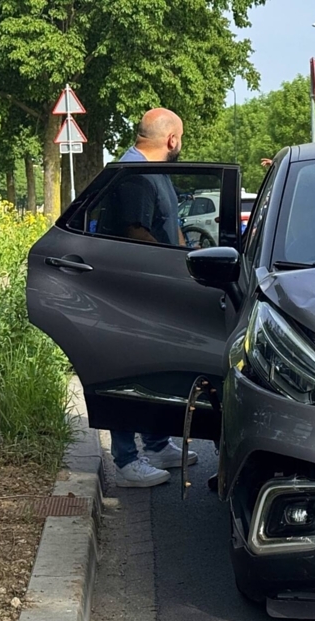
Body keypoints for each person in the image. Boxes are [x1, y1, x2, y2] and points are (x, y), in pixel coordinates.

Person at [112, 107, 195, 488]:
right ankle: (126, 460)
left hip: (156, 287)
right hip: (135, 292)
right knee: (129, 373)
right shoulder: (136, 176)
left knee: (155, 370)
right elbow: (136, 231)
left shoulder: (153, 172)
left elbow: (167, 226)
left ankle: (158, 444)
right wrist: (171, 264)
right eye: (182, 138)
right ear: (172, 139)